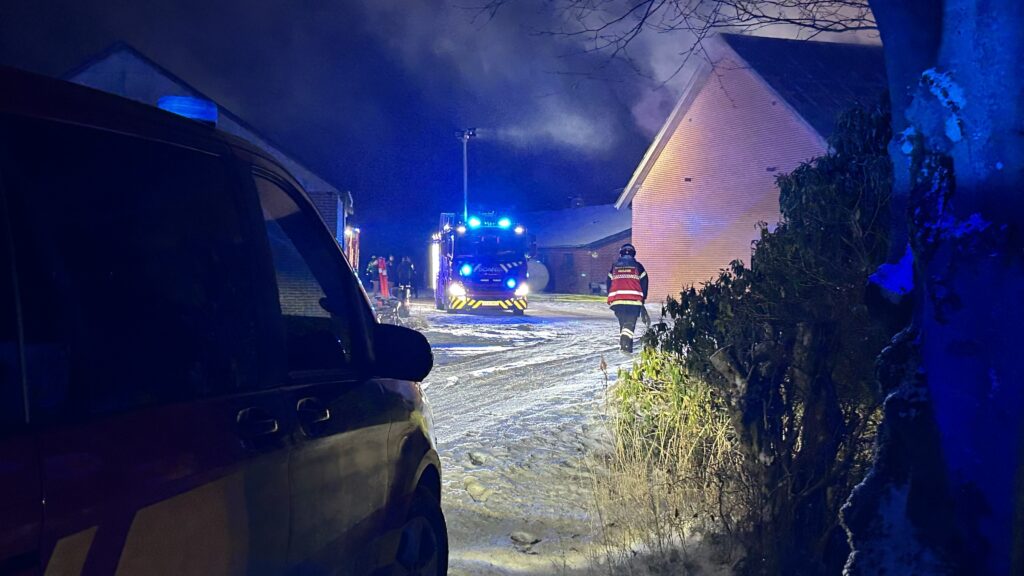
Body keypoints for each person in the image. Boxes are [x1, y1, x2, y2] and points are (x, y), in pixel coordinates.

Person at [606, 243, 648, 353]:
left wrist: (611, 296)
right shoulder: (638, 266)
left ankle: (626, 347)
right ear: (633, 254)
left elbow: (609, 283)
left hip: (617, 301)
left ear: (621, 253)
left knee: (623, 324)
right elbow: (644, 283)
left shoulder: (614, 267)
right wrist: (643, 298)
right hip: (634, 302)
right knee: (630, 324)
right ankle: (625, 344)